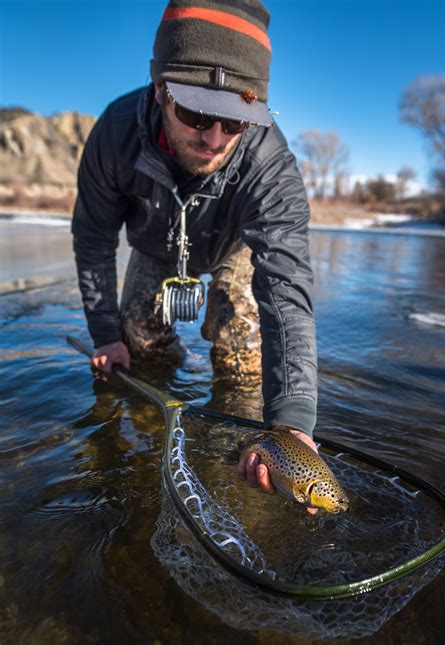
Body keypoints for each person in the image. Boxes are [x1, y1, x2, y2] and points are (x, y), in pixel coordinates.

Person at [72, 0, 319, 513]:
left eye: (236, 122)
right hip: (152, 247)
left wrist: (293, 421)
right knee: (137, 351)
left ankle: (237, 466)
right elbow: (94, 238)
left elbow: (286, 286)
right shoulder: (115, 134)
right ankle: (148, 444)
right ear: (160, 88)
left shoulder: (270, 165)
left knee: (243, 360)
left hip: (233, 249)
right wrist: (104, 336)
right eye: (197, 113)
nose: (213, 138)